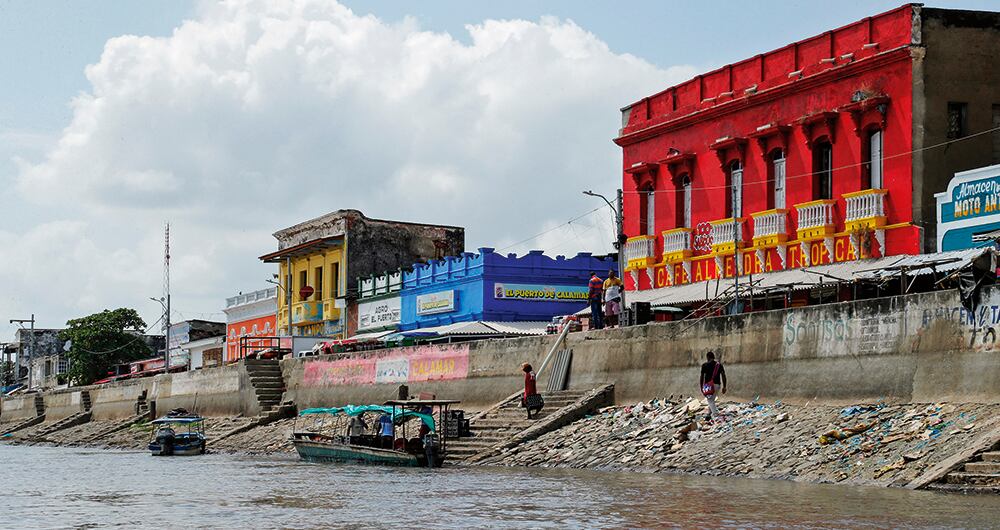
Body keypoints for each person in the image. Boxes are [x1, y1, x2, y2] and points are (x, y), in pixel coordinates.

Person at [700, 351, 727, 421]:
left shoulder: (704, 365)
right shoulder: (719, 365)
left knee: (710, 400)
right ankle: (709, 414)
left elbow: (702, 377)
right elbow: (723, 375)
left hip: (708, 386)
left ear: (707, 357)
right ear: (713, 357)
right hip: (717, 385)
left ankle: (715, 415)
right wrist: (724, 386)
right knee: (712, 399)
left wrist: (701, 387)